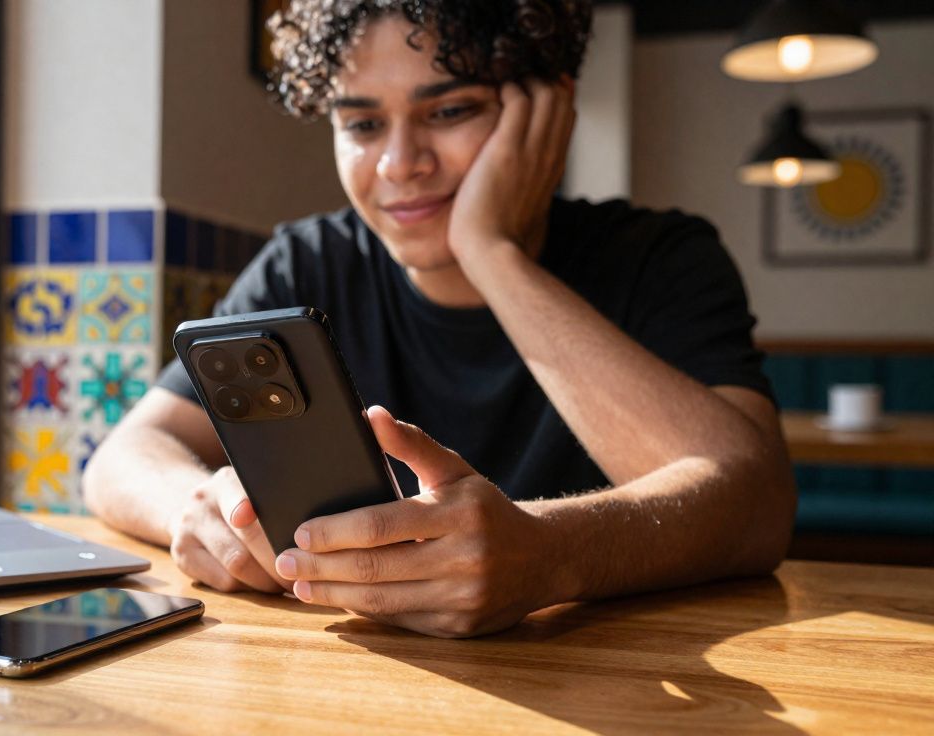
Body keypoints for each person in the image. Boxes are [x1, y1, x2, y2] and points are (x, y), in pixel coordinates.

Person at [83, 0, 796, 639]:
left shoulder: (664, 257)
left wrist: (489, 254)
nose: (399, 164)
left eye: (449, 110)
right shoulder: (308, 260)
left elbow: (756, 506)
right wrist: (198, 508)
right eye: (362, 123)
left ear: (549, 108)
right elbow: (121, 457)